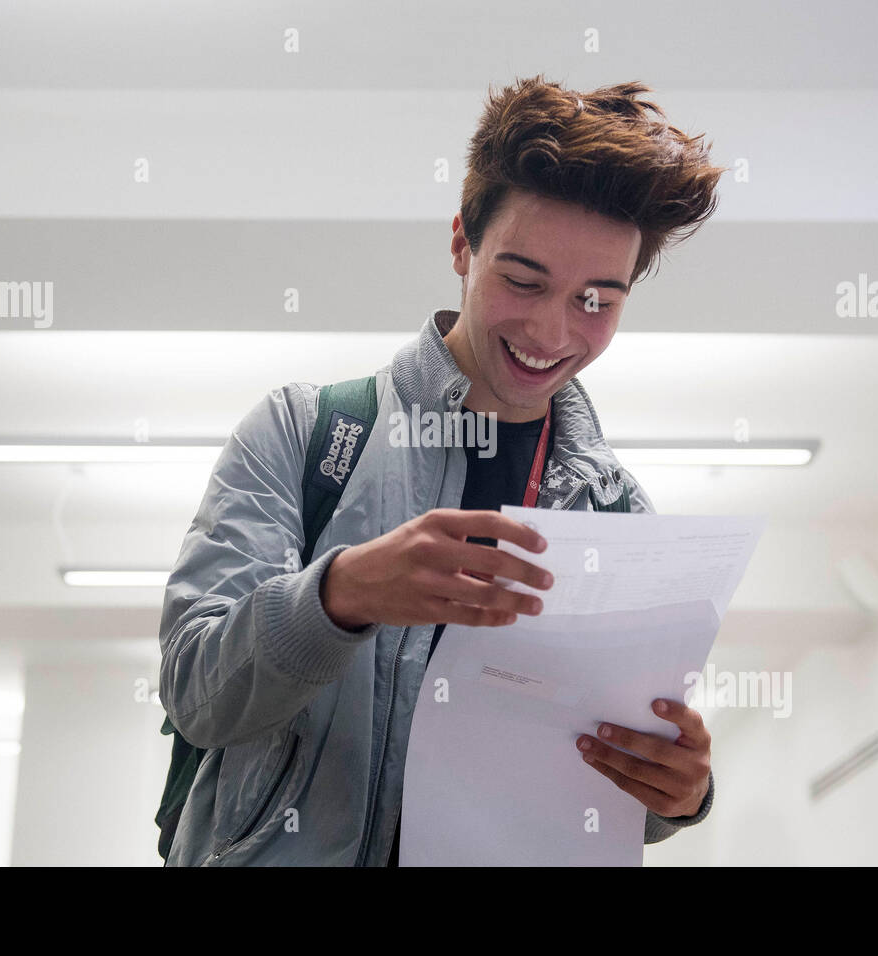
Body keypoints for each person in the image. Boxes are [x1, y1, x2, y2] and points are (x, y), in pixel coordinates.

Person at [159, 74, 727, 866]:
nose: (551, 330)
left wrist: (680, 794)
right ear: (462, 242)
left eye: (598, 300)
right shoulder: (307, 432)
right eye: (522, 281)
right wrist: (338, 595)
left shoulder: (620, 518)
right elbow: (196, 692)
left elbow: (609, 783)